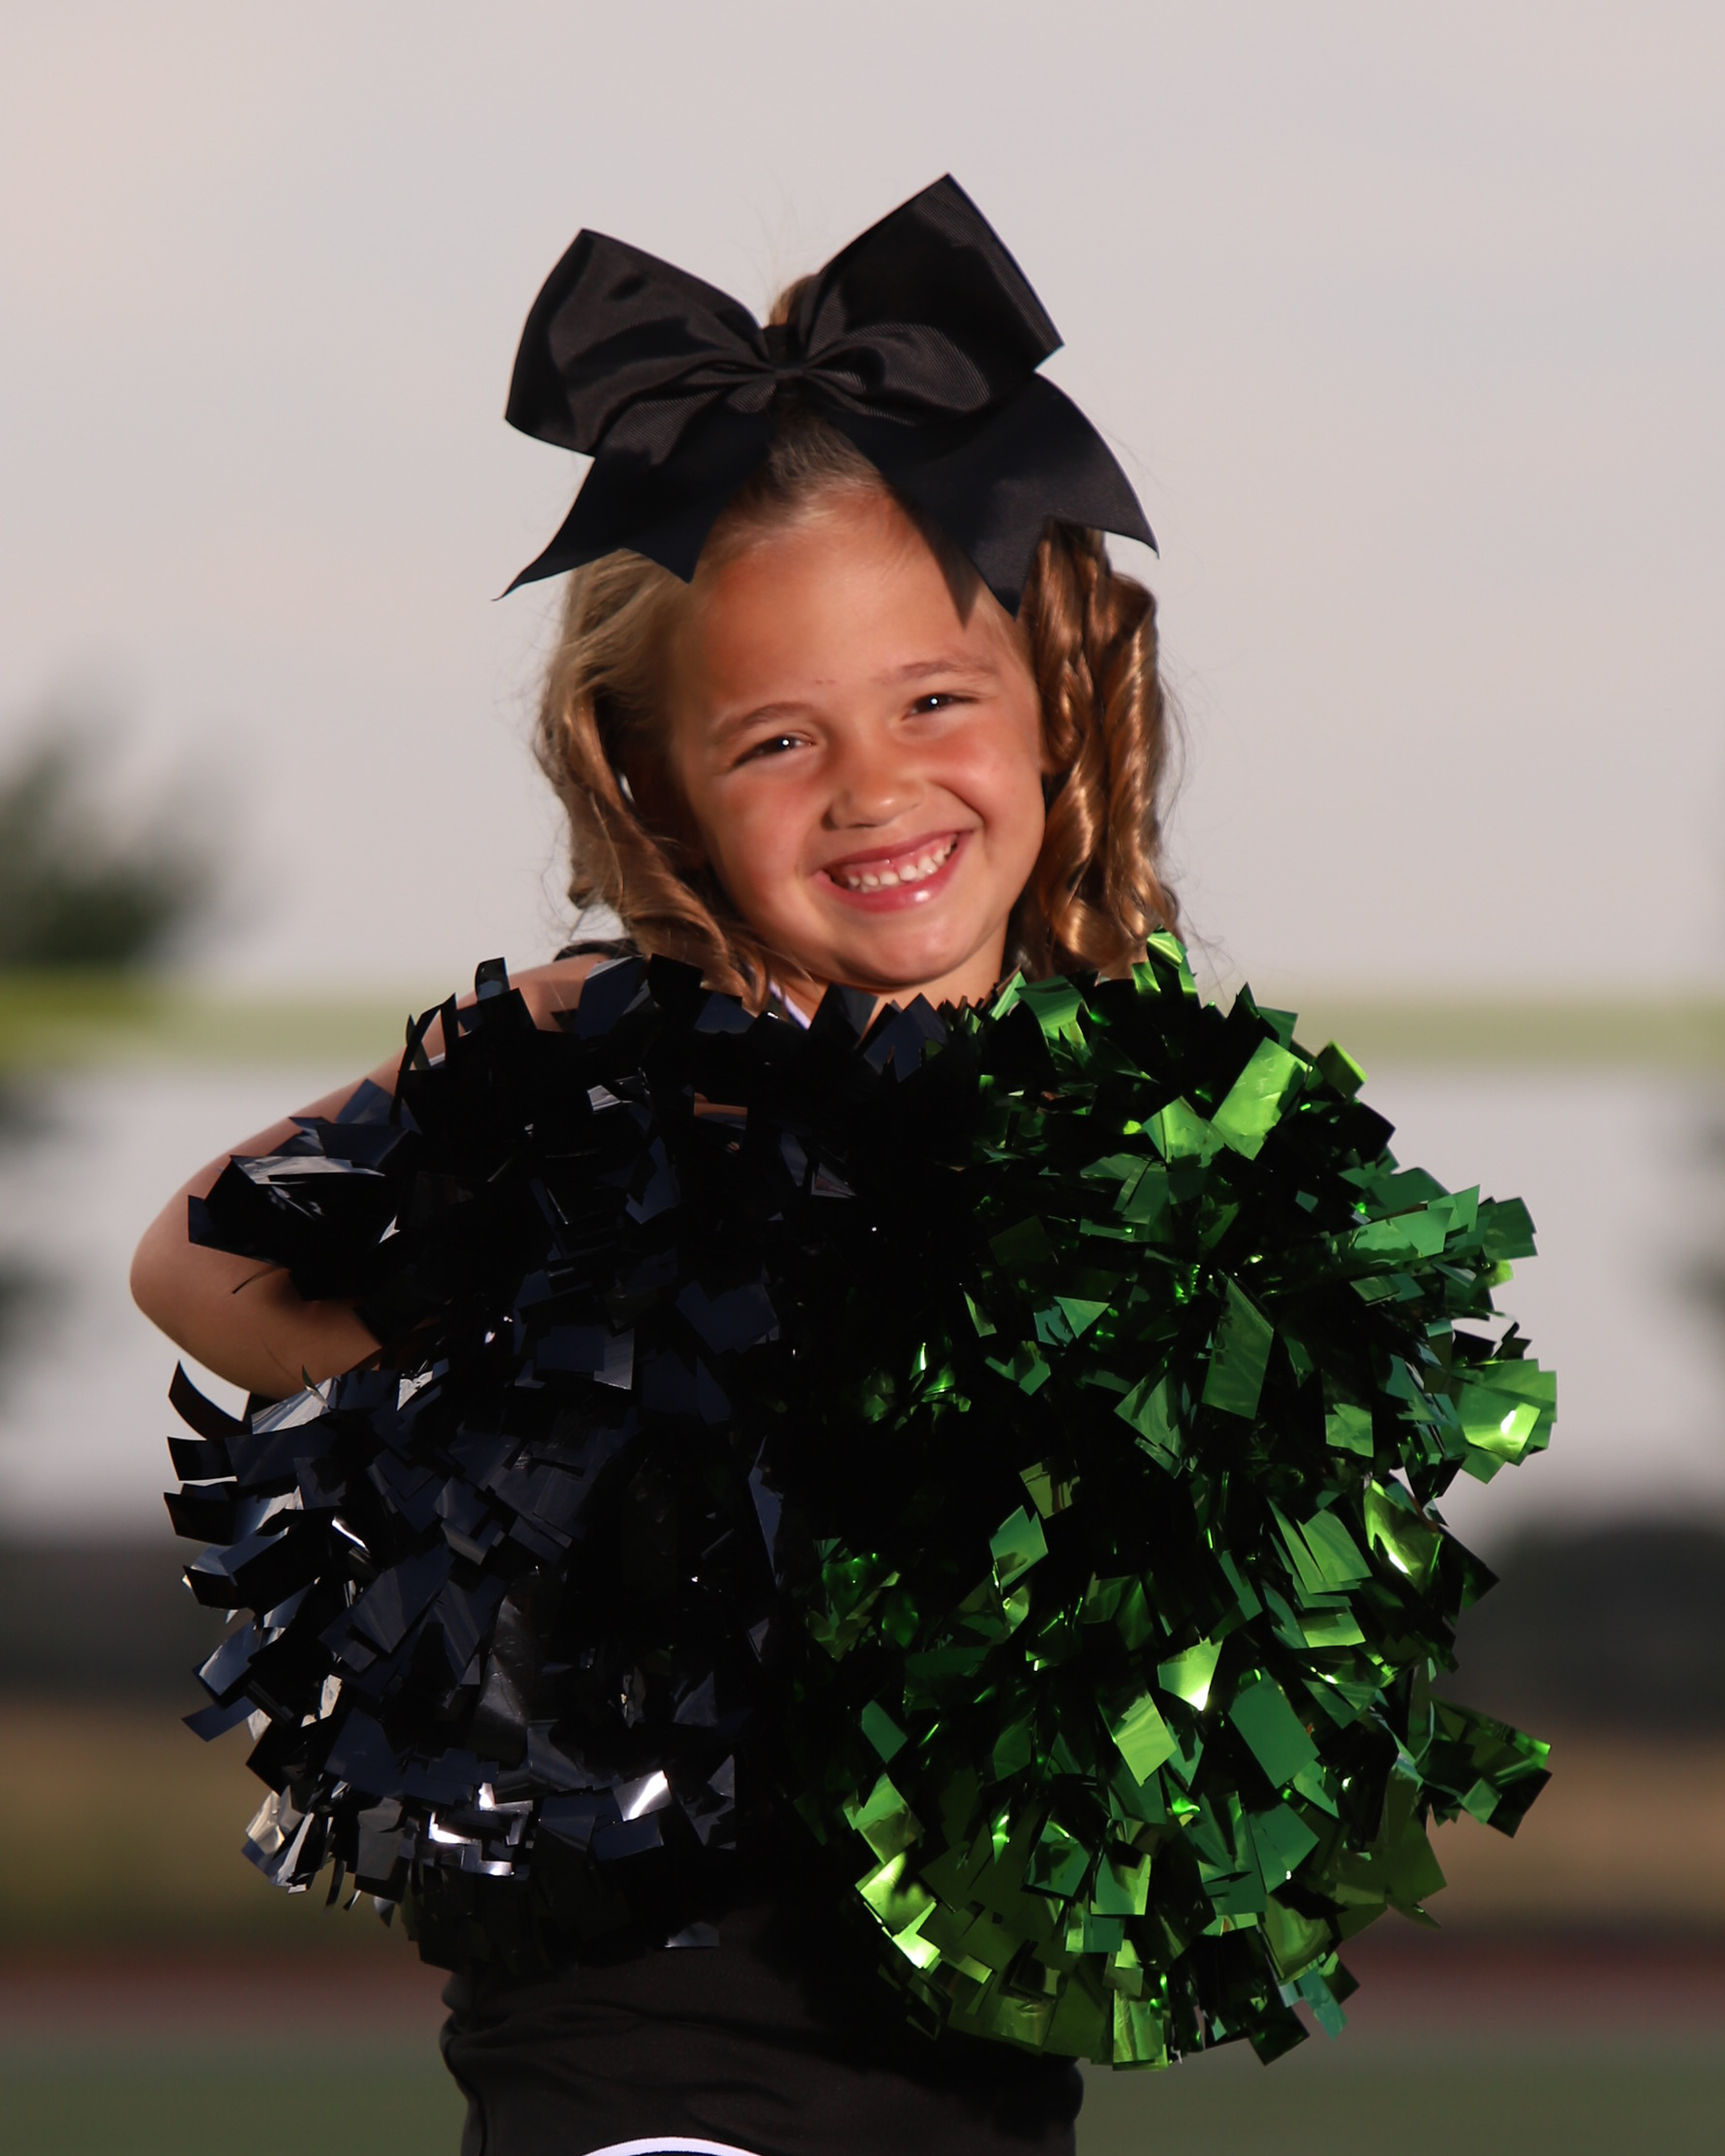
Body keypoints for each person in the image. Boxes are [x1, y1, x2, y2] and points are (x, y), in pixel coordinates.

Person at [132, 180, 1551, 2156]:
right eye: (776, 741)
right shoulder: (600, 1045)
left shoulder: (1157, 1126)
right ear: (652, 778)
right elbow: (193, 1257)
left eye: (934, 699)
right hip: (643, 2057)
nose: (876, 788)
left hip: (974, 2079)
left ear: (1057, 704)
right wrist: (489, 1379)